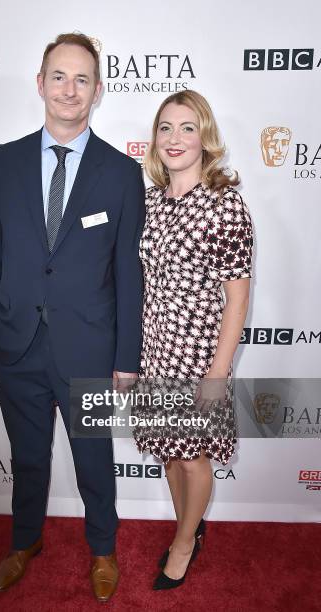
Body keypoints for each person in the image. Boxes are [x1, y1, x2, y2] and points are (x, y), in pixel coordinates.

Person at [0, 32, 145, 602]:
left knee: (94, 458)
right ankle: (25, 540)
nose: (69, 89)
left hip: (89, 347)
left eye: (82, 79)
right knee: (26, 456)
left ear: (98, 91)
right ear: (40, 83)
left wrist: (126, 357)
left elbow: (127, 270)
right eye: (59, 76)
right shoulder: (5, 160)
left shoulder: (122, 173)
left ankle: (102, 549)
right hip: (16, 342)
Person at [134, 90, 253, 590]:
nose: (175, 138)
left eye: (187, 127)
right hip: (156, 349)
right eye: (166, 127)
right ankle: (190, 526)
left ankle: (183, 543)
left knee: (192, 455)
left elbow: (238, 299)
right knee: (168, 449)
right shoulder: (152, 201)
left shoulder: (226, 205)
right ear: (155, 139)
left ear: (204, 136)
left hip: (201, 354)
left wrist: (217, 372)